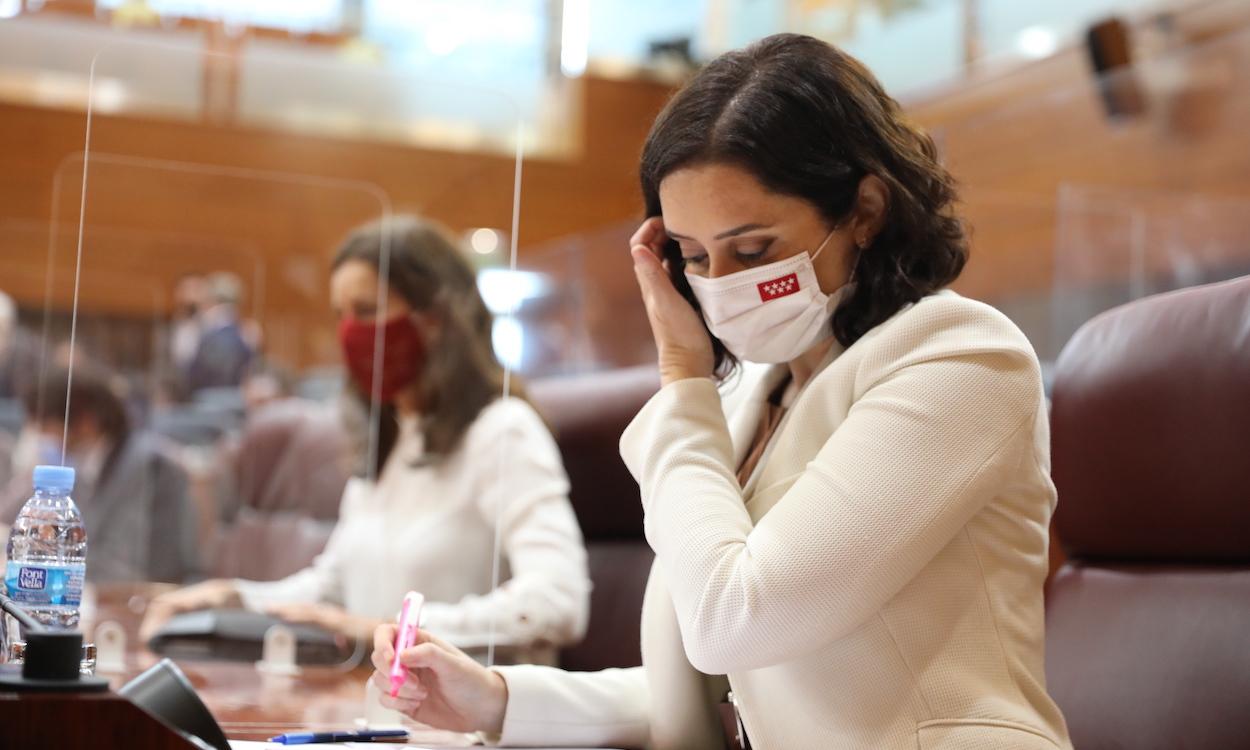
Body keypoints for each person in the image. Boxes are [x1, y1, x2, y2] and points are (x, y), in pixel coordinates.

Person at [367, 34, 1073, 750]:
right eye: (695, 257)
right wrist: (496, 700)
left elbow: (735, 621)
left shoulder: (961, 358)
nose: (720, 284)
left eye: (753, 250)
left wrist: (683, 373)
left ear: (865, 210)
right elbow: (718, 691)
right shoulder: (748, 399)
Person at [142, 216, 591, 662]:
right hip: (375, 704)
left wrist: (392, 631)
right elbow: (333, 588)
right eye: (340, 315)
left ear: (435, 319)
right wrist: (231, 599)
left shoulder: (503, 430)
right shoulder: (392, 436)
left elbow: (558, 602)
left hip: (468, 721)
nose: (349, 333)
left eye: (367, 311)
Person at [2, 365, 200, 583]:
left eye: (46, 426)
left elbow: (125, 564)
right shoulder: (86, 465)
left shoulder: (149, 465)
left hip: (145, 596)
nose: (41, 436)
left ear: (86, 422)